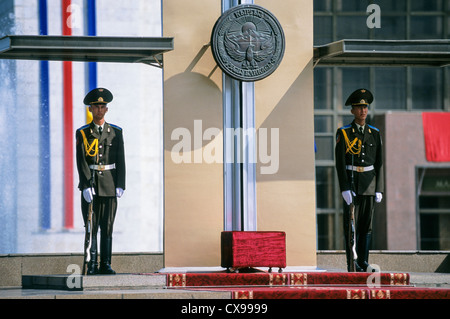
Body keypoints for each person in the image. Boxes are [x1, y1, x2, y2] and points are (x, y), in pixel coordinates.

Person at [76, 88, 126, 275]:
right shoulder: (82, 133)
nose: (100, 109)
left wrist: (121, 183)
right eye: (96, 106)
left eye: (103, 106)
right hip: (92, 185)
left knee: (107, 226)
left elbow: (121, 159)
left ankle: (105, 264)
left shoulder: (116, 132)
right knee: (91, 227)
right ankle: (92, 265)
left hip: (110, 185)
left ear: (107, 110)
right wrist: (85, 185)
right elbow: (81, 161)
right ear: (90, 109)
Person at [335, 88, 384, 272]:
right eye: (359, 107)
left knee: (366, 227)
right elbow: (340, 164)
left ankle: (363, 261)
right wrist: (344, 188)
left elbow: (379, 163)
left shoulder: (375, 133)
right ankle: (352, 263)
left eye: (365, 107)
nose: (363, 110)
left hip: (369, 185)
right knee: (351, 227)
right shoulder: (344, 132)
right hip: (352, 185)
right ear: (352, 110)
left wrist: (379, 188)